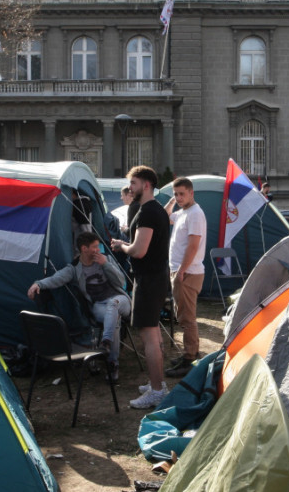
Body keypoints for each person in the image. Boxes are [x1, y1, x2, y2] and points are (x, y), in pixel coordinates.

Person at [27, 232, 130, 380]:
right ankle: (112, 362)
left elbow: (121, 282)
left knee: (113, 306)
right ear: (84, 248)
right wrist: (38, 284)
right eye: (94, 247)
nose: (98, 250)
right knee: (113, 320)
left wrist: (106, 265)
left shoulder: (105, 259)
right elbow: (57, 279)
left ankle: (106, 343)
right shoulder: (75, 268)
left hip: (120, 300)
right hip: (99, 306)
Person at [111, 165, 171, 409]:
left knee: (149, 336)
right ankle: (158, 383)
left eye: (133, 183)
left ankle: (157, 391)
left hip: (149, 280)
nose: (130, 188)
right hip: (154, 278)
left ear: (146, 185)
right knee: (153, 334)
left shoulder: (148, 212)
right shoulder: (154, 210)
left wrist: (121, 246)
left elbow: (139, 250)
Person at [163, 177, 206, 378]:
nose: (179, 197)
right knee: (182, 315)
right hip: (180, 270)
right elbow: (165, 216)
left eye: (182, 194)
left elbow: (193, 245)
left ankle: (190, 358)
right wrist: (172, 201)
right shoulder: (182, 213)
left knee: (187, 318)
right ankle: (189, 354)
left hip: (188, 272)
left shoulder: (195, 214)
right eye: (176, 194)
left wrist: (181, 270)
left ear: (191, 193)